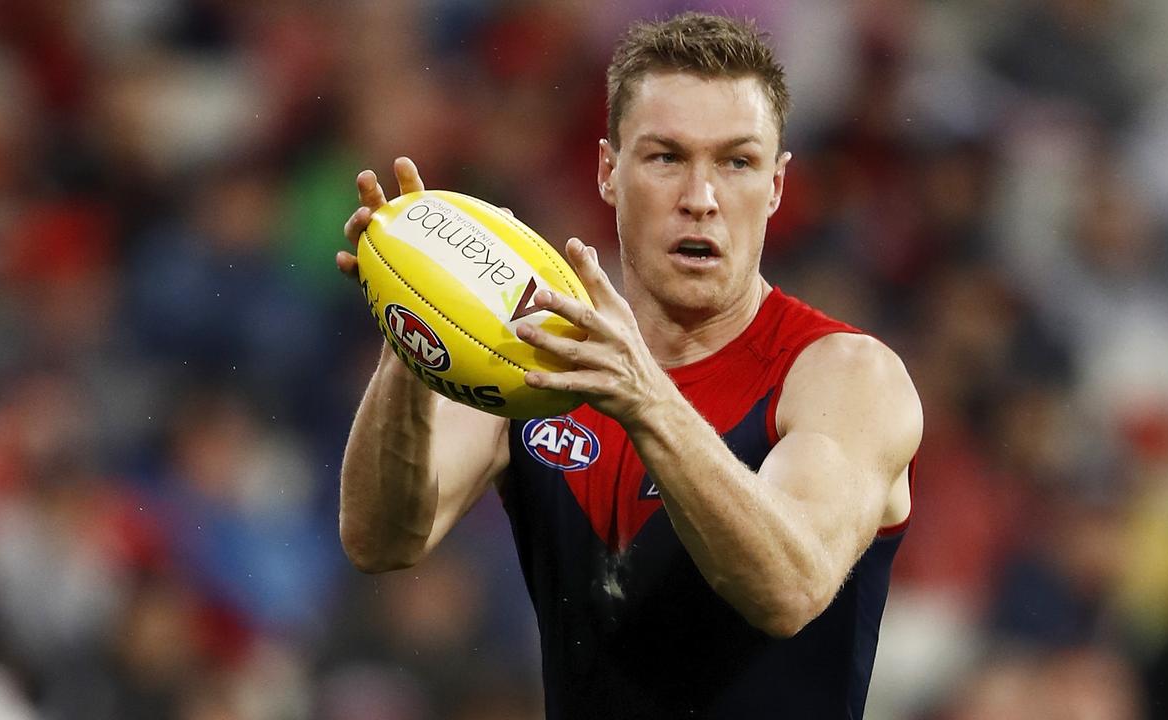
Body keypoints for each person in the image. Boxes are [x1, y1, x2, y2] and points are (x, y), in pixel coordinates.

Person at [334, 12, 921, 719]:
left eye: (736, 162)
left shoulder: (847, 377)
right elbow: (382, 538)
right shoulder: (530, 351)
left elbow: (789, 588)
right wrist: (418, 333)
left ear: (775, 184)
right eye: (666, 157)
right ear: (610, 170)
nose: (700, 198)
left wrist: (648, 402)